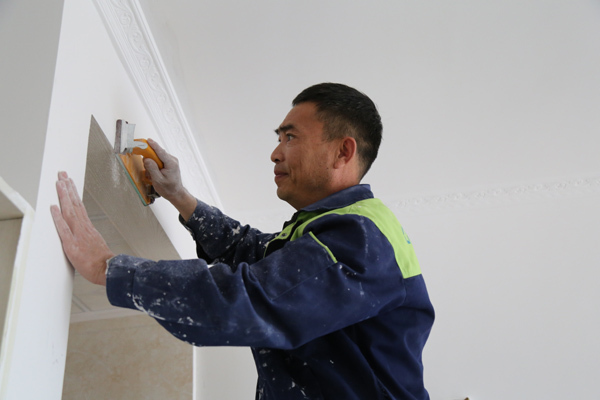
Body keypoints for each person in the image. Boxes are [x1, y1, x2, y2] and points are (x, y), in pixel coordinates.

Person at [52, 83, 434, 400]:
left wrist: (110, 269)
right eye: (279, 138)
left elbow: (251, 298)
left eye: (290, 137)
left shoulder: (362, 238)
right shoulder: (327, 230)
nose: (275, 153)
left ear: (342, 151)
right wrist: (180, 197)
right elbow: (252, 254)